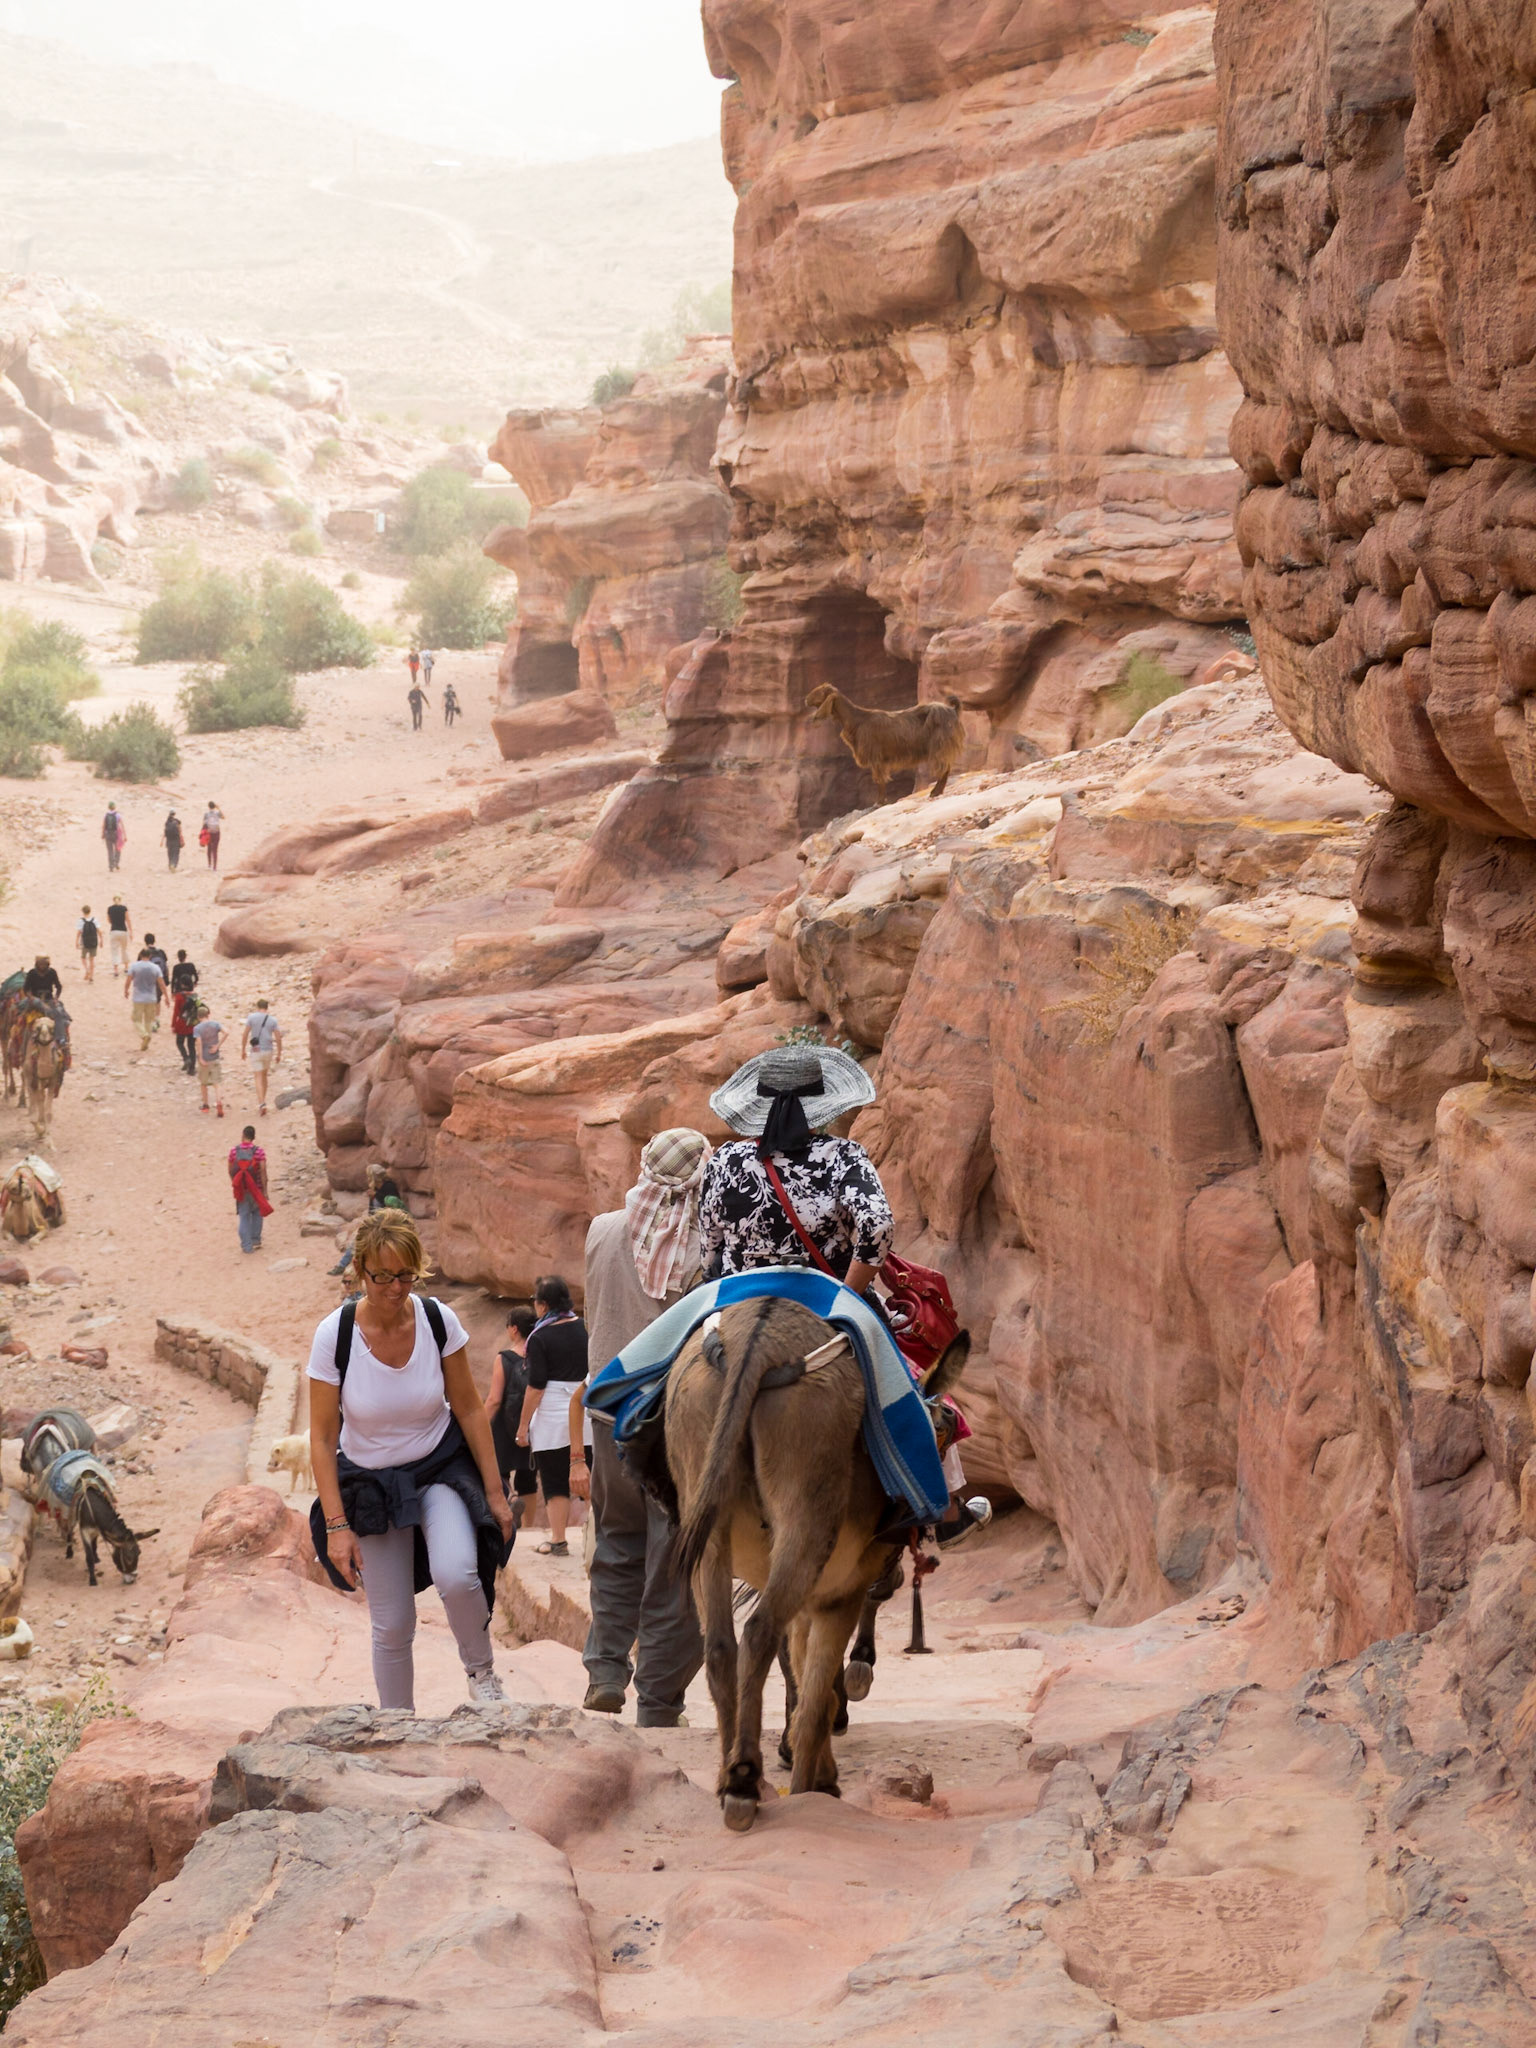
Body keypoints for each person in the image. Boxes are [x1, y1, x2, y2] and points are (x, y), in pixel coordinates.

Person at [307, 1208, 513, 1710]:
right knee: (393, 1621)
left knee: (458, 1573)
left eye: (404, 1275)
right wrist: (337, 1525)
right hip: (371, 1483)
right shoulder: (335, 1337)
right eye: (382, 1277)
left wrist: (494, 1493)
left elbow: (467, 1406)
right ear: (360, 1272)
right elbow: (320, 1435)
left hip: (437, 1467)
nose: (395, 1289)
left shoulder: (438, 1321)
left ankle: (482, 1674)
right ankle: (398, 1724)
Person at [573, 1128, 708, 1725]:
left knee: (616, 1541)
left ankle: (605, 1669)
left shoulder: (603, 1228)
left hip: (608, 1412)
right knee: (673, 1561)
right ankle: (658, 1698)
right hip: (670, 1424)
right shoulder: (702, 1243)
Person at [699, 1043, 892, 1289]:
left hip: (737, 1289)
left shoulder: (724, 1160)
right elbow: (878, 1224)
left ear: (760, 1103)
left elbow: (709, 1250)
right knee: (887, 1326)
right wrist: (848, 1294)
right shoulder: (843, 1156)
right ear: (821, 1102)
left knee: (674, 1327)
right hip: (826, 1289)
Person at [514, 1274, 590, 1557]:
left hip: (552, 1417)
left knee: (554, 1479)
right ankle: (598, 1538)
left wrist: (523, 1427)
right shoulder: (585, 1327)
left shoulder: (540, 1336)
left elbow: (535, 1387)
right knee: (589, 1475)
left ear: (544, 1305)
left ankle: (558, 1540)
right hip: (586, 1412)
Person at [484, 1307, 538, 1526]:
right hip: (530, 1423)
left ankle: (511, 1499)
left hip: (504, 1425)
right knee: (528, 1478)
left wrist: (481, 1424)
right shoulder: (539, 1356)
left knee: (499, 1473)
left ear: (514, 1329)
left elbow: (495, 1399)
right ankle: (529, 1528)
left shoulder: (504, 1358)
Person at [228, 1125, 270, 1253]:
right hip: (256, 1189)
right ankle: (255, 1240)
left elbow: (230, 1170)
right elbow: (263, 1170)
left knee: (244, 1216)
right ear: (253, 1137)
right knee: (257, 1213)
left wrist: (236, 1183)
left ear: (243, 1135)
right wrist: (265, 1190)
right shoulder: (259, 1151)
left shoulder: (234, 1151)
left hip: (242, 1188)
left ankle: (246, 1246)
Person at [241, 999, 282, 1114]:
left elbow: (245, 1034)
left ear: (257, 1006)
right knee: (264, 1076)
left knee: (257, 1076)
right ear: (267, 1007)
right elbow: (278, 1037)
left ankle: (261, 1103)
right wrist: (279, 1053)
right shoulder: (273, 1020)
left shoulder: (251, 1017)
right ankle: (263, 1101)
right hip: (268, 1050)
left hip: (256, 1050)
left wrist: (243, 1049)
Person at [123, 947, 166, 1052]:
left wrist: (126, 990)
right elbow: (161, 983)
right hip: (151, 997)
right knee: (148, 1020)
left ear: (140, 955)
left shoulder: (134, 966)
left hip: (138, 997)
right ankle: (146, 1042)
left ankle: (144, 1035)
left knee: (136, 1019)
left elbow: (128, 980)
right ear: (150, 956)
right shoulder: (155, 968)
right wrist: (166, 996)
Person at [192, 1002, 226, 1116]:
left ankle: (206, 1105)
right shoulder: (215, 1024)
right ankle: (219, 1102)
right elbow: (226, 1032)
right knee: (217, 1083)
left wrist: (200, 1057)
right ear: (208, 1014)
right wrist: (217, 1046)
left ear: (198, 1016)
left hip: (205, 1059)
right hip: (215, 1056)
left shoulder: (197, 1028)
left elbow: (199, 1042)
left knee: (203, 1083)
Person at [170, 952, 200, 1076]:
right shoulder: (195, 996)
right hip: (193, 1024)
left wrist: (173, 1024)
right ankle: (192, 1068)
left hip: (182, 1023)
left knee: (179, 1042)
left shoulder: (179, 997)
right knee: (192, 1045)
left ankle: (186, 1058)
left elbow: (176, 1012)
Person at [105, 897, 131, 979]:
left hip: (114, 931)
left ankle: (116, 970)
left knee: (114, 950)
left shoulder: (110, 909)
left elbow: (109, 921)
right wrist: (131, 931)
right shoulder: (124, 908)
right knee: (124, 949)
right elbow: (128, 920)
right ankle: (126, 967)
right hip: (123, 930)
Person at [76, 907, 98, 984]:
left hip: (85, 942)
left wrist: (76, 942)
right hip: (93, 942)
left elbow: (79, 933)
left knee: (83, 958)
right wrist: (101, 940)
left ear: (83, 912)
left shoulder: (81, 921)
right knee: (92, 960)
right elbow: (99, 931)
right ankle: (91, 977)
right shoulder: (94, 920)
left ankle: (87, 970)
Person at [102, 804, 125, 872]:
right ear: (114, 807)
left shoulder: (105, 815)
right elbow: (122, 825)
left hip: (108, 834)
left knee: (110, 850)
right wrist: (124, 835)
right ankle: (116, 863)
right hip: (116, 834)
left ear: (108, 807)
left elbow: (103, 825)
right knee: (118, 848)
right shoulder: (118, 815)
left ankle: (111, 866)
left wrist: (102, 834)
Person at [201, 801, 223, 871]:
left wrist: (202, 833)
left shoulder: (206, 814)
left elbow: (204, 824)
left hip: (209, 833)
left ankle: (209, 865)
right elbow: (223, 817)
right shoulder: (217, 813)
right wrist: (219, 808)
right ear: (214, 806)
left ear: (208, 806)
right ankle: (215, 867)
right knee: (215, 850)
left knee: (209, 849)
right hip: (216, 832)